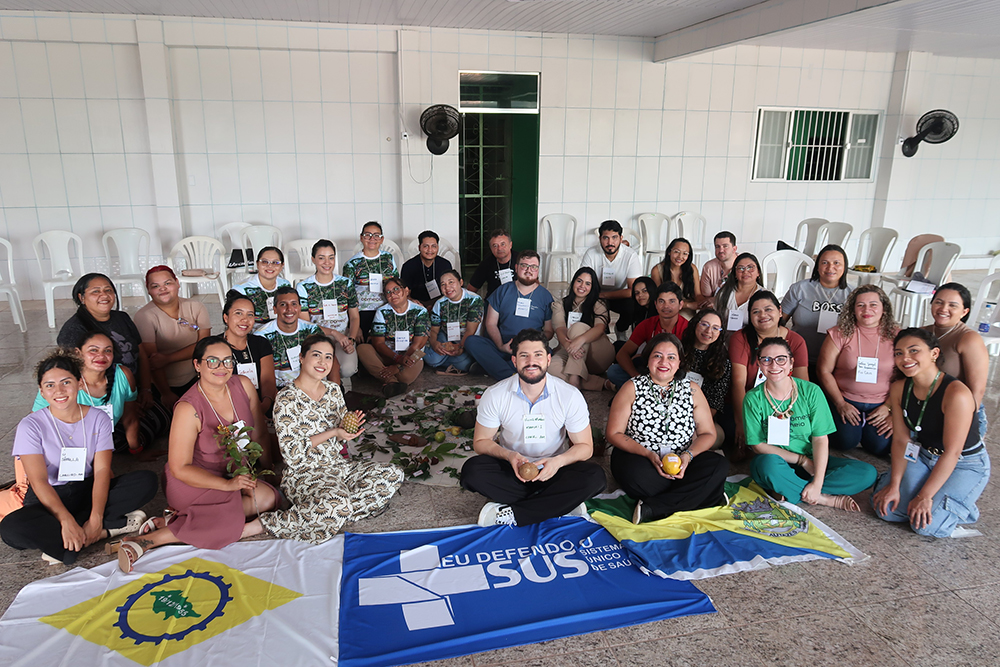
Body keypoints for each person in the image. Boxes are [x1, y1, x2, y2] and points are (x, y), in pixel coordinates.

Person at [114, 337, 279, 572]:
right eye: (212, 361)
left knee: (267, 499)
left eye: (227, 361)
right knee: (231, 518)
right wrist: (228, 486)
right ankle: (150, 540)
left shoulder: (243, 386)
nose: (222, 368)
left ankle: (175, 520)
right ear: (197, 365)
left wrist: (268, 470)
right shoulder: (188, 408)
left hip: (233, 472)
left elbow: (260, 435)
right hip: (193, 480)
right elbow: (180, 467)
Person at [0, 351, 156, 565]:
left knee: (147, 481)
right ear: (41, 391)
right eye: (50, 385)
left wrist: (96, 517)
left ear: (79, 383)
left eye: (66, 382)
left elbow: (102, 471)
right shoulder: (31, 425)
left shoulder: (97, 418)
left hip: (88, 489)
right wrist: (65, 520)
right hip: (49, 496)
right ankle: (100, 533)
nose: (59, 391)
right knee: (11, 529)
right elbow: (38, 481)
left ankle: (73, 540)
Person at [260, 335, 404, 543]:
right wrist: (334, 433)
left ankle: (326, 514)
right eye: (316, 355)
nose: (323, 362)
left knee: (392, 474)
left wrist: (347, 430)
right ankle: (272, 522)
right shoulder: (287, 398)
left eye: (328, 357)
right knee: (338, 503)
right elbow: (292, 454)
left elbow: (339, 438)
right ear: (301, 357)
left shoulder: (333, 391)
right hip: (305, 473)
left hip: (338, 467)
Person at [461, 329, 606, 526]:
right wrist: (509, 456)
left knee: (595, 477)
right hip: (512, 469)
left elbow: (585, 447)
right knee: (472, 471)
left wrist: (558, 462)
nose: (531, 362)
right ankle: (558, 503)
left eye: (537, 355)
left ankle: (513, 513)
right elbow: (480, 442)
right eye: (524, 356)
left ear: (548, 359)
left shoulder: (569, 395)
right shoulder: (495, 394)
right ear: (514, 361)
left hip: (554, 468)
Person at [873, 329, 990, 537]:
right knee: (887, 510)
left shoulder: (957, 394)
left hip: (963, 463)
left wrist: (925, 496)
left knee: (926, 526)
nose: (905, 358)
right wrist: (894, 484)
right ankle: (925, 493)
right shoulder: (900, 388)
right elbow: (901, 439)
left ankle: (960, 503)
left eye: (914, 350)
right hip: (923, 455)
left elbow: (952, 452)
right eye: (899, 353)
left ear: (934, 353)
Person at [743, 337, 876, 510]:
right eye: (766, 360)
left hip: (813, 461)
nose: (774, 366)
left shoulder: (811, 391)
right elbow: (757, 445)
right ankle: (823, 499)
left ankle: (794, 489)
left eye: (780, 359)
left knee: (867, 473)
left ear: (791, 363)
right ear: (759, 364)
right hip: (776, 461)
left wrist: (818, 481)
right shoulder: (753, 398)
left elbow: (820, 439)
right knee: (765, 467)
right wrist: (801, 460)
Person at [607, 333, 728, 524]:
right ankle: (705, 496)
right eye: (657, 356)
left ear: (679, 362)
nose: (664, 362)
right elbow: (614, 433)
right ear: (647, 360)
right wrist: (647, 454)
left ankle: (654, 508)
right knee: (633, 475)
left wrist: (687, 456)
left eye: (671, 357)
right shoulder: (631, 387)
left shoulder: (692, 389)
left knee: (719, 465)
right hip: (642, 458)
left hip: (684, 460)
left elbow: (708, 433)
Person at [816, 285, 897, 456]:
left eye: (873, 304)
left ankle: (867, 427)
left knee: (879, 446)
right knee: (845, 441)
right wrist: (840, 403)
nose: (867, 309)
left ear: (884, 308)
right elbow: (823, 370)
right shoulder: (839, 333)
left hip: (882, 403)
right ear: (853, 309)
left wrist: (890, 408)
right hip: (845, 398)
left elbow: (905, 377)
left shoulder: (897, 336)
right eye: (860, 305)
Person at [33, 332, 144, 454]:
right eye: (94, 350)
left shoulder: (123, 375)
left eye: (107, 351)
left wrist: (137, 451)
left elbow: (130, 419)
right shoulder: (62, 382)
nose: (101, 356)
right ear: (78, 353)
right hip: (64, 446)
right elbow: (36, 425)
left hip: (104, 440)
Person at [730, 291, 809, 454]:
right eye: (756, 311)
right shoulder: (740, 338)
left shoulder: (796, 341)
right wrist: (741, 422)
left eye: (768, 309)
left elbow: (802, 385)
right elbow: (738, 383)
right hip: (750, 403)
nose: (762, 315)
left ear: (780, 311)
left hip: (784, 403)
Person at [465, 251, 553, 380]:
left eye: (534, 266)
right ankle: (511, 374)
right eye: (524, 265)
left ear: (538, 270)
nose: (529, 270)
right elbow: (490, 323)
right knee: (471, 341)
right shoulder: (502, 291)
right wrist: (501, 346)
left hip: (529, 351)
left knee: (547, 353)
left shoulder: (545, 296)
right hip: (502, 347)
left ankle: (494, 369)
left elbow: (549, 331)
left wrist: (530, 345)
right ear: (516, 268)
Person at [135, 266, 211, 409]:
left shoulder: (196, 306)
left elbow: (204, 346)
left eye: (167, 283)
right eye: (155, 286)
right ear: (149, 290)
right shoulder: (144, 316)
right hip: (162, 385)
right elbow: (154, 361)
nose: (162, 289)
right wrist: (166, 393)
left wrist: (168, 358)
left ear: (177, 283)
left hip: (195, 379)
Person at [57, 273, 150, 388]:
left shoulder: (122, 318)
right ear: (81, 297)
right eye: (96, 291)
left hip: (135, 389)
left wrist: (147, 390)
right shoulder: (73, 330)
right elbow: (72, 375)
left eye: (108, 290)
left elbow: (142, 355)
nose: (104, 295)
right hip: (104, 395)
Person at [924, 282, 989, 440]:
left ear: (964, 311)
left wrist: (964, 424)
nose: (943, 309)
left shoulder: (968, 339)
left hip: (958, 412)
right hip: (928, 409)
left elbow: (977, 391)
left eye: (952, 305)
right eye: (939, 302)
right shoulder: (924, 332)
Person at [297, 239, 360, 389]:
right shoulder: (304, 287)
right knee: (322, 369)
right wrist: (333, 333)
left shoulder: (345, 284)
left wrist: (350, 339)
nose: (327, 262)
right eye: (321, 257)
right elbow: (306, 325)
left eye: (331, 257)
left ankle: (338, 386)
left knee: (348, 368)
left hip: (343, 337)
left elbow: (355, 316)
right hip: (317, 338)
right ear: (313, 259)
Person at [607, 282, 689, 390]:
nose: (666, 306)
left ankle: (638, 390)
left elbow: (688, 362)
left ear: (681, 305)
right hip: (649, 371)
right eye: (661, 301)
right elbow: (622, 354)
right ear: (655, 304)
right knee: (614, 371)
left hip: (673, 373)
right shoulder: (647, 324)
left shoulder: (688, 328)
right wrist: (637, 377)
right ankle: (642, 388)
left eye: (672, 301)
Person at [357, 277, 430, 397]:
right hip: (388, 354)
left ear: (406, 291)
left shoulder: (420, 311)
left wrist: (399, 366)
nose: (393, 294)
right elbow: (378, 343)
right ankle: (391, 381)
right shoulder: (382, 312)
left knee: (405, 377)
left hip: (413, 356)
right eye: (388, 292)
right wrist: (397, 359)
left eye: (396, 289)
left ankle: (384, 376)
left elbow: (418, 344)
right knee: (363, 349)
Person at [781, 244, 852, 369]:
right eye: (825, 262)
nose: (831, 267)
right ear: (817, 266)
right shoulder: (799, 289)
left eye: (837, 263)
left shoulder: (853, 294)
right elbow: (779, 322)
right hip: (799, 359)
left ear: (845, 267)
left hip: (837, 363)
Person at [548, 267, 614, 390]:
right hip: (571, 351)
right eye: (579, 281)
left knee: (578, 327)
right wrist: (569, 346)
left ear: (592, 287)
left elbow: (600, 328)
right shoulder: (561, 304)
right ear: (573, 282)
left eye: (588, 283)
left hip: (598, 354)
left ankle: (573, 379)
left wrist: (580, 340)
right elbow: (560, 328)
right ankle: (603, 384)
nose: (582, 286)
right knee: (550, 367)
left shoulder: (598, 304)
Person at [579, 220, 642, 338]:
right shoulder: (591, 253)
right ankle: (600, 334)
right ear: (600, 239)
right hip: (596, 294)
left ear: (621, 238)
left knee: (635, 304)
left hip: (619, 295)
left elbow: (633, 290)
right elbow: (583, 281)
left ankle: (621, 329)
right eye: (606, 238)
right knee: (584, 301)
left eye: (614, 237)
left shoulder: (630, 255)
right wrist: (596, 295)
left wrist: (603, 295)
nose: (610, 242)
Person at [680, 309, 733, 449]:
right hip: (670, 408)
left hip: (699, 417)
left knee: (718, 436)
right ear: (695, 324)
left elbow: (714, 402)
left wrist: (691, 425)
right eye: (704, 324)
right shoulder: (677, 349)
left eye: (715, 328)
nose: (709, 331)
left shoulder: (723, 362)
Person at [257, 287, 327, 389]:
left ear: (299, 307)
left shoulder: (312, 330)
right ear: (275, 309)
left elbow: (331, 361)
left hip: (311, 386)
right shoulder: (261, 336)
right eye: (283, 304)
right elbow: (263, 376)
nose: (289, 309)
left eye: (294, 304)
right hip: (279, 389)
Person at [222, 294, 277, 415]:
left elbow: (268, 381)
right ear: (226, 318)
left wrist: (263, 406)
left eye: (250, 314)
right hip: (227, 409)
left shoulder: (261, 343)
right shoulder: (215, 347)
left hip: (261, 406)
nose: (245, 319)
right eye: (238, 313)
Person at [342, 221, 399, 339]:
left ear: (382, 239)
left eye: (376, 235)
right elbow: (347, 296)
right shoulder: (352, 264)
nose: (372, 238)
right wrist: (355, 326)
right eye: (368, 235)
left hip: (387, 309)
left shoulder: (388, 258)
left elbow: (397, 283)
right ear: (361, 238)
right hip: (363, 312)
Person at [424, 270, 484, 376]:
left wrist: (460, 348)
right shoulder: (440, 303)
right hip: (446, 336)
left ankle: (445, 362)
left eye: (451, 282)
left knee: (464, 363)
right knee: (433, 359)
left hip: (468, 340)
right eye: (443, 284)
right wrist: (434, 343)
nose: (447, 288)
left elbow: (470, 330)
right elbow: (434, 329)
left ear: (460, 282)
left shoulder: (474, 300)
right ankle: (446, 361)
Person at [231, 246, 292, 330]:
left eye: (275, 262)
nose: (270, 266)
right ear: (257, 264)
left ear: (282, 266)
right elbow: (234, 322)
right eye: (264, 262)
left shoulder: (285, 284)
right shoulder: (241, 289)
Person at [400, 231, 453, 308]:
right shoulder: (408, 266)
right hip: (416, 304)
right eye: (426, 246)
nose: (430, 250)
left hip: (440, 303)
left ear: (437, 247)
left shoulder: (445, 264)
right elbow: (405, 292)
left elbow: (449, 289)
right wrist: (413, 301)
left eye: (434, 246)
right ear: (419, 247)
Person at [714, 252, 763, 332]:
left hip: (751, 340)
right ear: (735, 273)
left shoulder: (764, 296)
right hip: (724, 339)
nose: (745, 272)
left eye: (750, 267)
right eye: (741, 268)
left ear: (758, 272)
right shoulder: (723, 293)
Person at [651, 238, 702, 313]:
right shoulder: (657, 270)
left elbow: (697, 294)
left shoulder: (692, 268)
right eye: (676, 252)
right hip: (667, 308)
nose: (680, 257)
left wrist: (705, 304)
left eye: (685, 253)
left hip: (688, 309)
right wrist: (688, 305)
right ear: (669, 252)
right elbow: (660, 298)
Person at [468, 229, 518, 297]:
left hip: (517, 300)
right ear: (491, 248)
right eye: (495, 245)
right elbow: (471, 289)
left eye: (503, 244)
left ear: (510, 245)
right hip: (493, 302)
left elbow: (533, 284)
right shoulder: (486, 264)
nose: (499, 248)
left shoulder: (521, 260)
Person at [700, 231, 738, 307]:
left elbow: (746, 294)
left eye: (725, 246)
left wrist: (719, 299)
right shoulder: (709, 267)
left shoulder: (743, 265)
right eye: (717, 246)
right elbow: (706, 297)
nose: (721, 250)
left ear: (734, 249)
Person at [617, 276, 658, 346]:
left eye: (644, 291)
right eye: (637, 293)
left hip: (655, 349)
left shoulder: (659, 311)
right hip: (640, 347)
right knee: (618, 345)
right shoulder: (638, 310)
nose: (640, 295)